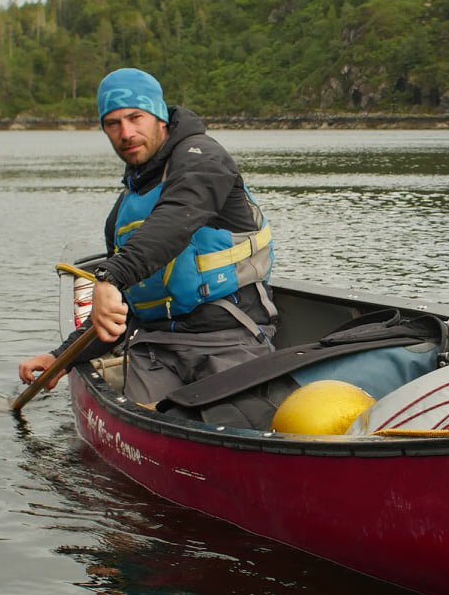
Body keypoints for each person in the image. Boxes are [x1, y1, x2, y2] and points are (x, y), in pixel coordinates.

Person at [17, 67, 276, 409]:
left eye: (135, 117)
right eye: (113, 123)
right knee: (146, 422)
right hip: (154, 350)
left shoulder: (204, 159)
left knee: (240, 420)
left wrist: (109, 277)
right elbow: (120, 311)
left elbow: (175, 218)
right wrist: (61, 357)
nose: (126, 132)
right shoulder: (123, 211)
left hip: (229, 340)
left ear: (159, 116)